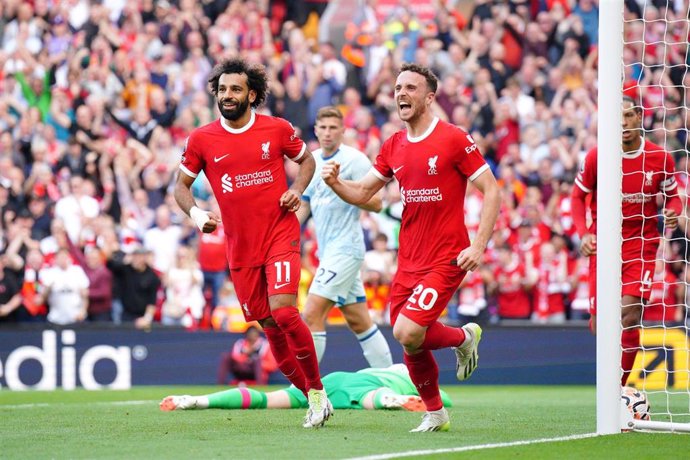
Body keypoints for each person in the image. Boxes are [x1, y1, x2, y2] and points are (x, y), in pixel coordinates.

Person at [321, 63, 501, 432]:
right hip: (409, 259)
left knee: (407, 330)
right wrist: (338, 184)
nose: (401, 93)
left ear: (429, 97)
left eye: (411, 88)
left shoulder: (453, 138)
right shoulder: (393, 145)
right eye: (398, 87)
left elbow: (492, 190)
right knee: (412, 342)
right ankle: (435, 412)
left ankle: (464, 337)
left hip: (448, 255)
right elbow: (363, 192)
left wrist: (479, 245)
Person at [173, 58, 331, 429]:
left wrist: (296, 189)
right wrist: (198, 216)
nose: (227, 96)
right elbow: (179, 187)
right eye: (222, 89)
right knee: (269, 327)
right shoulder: (201, 139)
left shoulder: (276, 129)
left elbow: (306, 162)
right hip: (240, 246)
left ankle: (319, 392)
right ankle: (313, 397)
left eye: (235, 89)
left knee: (286, 312)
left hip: (280, 233)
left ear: (252, 94)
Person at [570, 95, 681, 386]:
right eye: (618, 116)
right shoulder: (598, 155)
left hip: (641, 245)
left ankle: (618, 391)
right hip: (604, 247)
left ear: (640, 117)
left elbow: (674, 198)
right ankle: (615, 390)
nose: (623, 122)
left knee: (629, 315)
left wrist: (673, 212)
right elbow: (576, 196)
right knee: (600, 326)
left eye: (629, 115)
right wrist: (584, 232)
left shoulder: (660, 158)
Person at [296, 106, 393, 368]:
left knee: (311, 312)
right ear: (315, 130)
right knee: (359, 320)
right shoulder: (310, 161)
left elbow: (376, 203)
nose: (327, 133)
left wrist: (338, 184)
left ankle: (308, 388)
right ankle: (392, 378)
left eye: (332, 128)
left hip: (346, 249)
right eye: (323, 128)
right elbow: (304, 205)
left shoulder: (355, 160)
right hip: (328, 252)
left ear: (343, 131)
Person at [160, 364, 451, 413]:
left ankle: (199, 400)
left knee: (265, 399)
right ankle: (392, 400)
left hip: (331, 379)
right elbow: (443, 399)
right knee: (366, 398)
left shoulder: (381, 369)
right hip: (371, 385)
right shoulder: (409, 375)